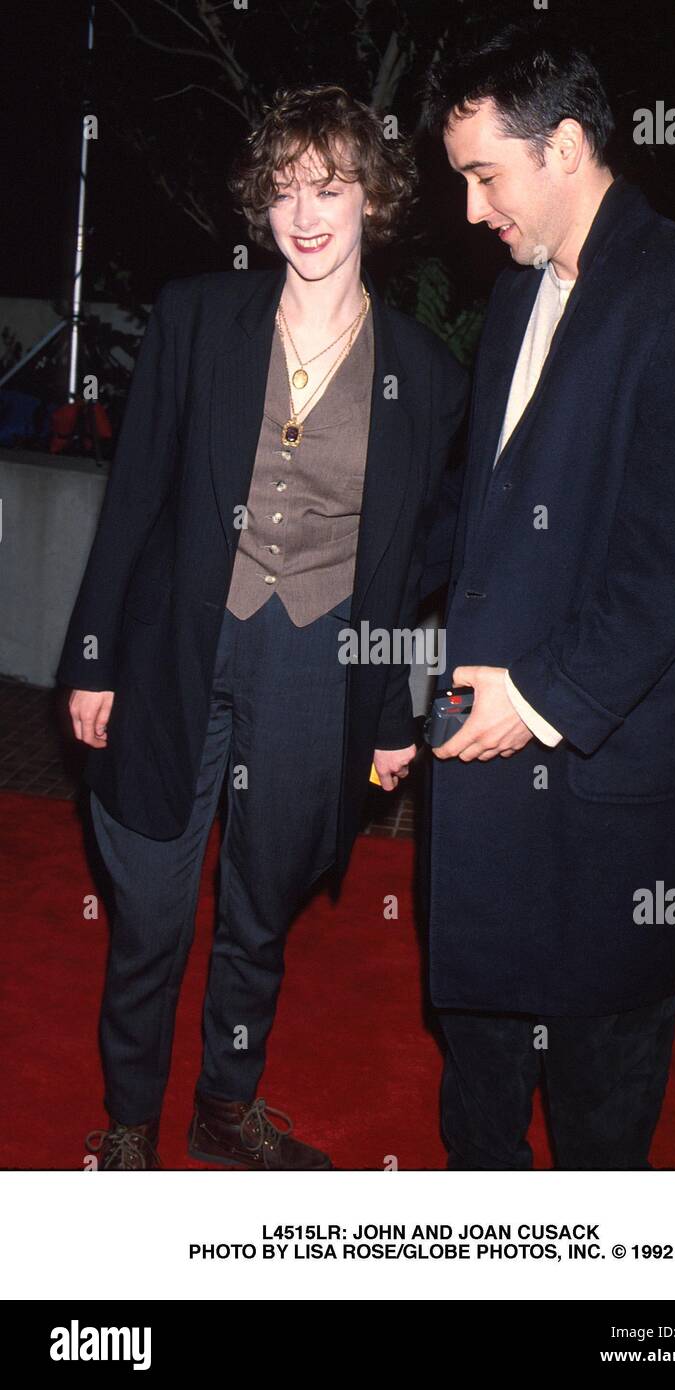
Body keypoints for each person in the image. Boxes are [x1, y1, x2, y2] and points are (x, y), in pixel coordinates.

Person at [56, 84, 468, 1171]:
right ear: (261, 204)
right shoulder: (199, 318)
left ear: (370, 199)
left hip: (314, 657)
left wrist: (387, 711)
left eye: (329, 186)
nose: (305, 211)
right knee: (147, 905)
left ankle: (224, 1106)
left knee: (261, 905)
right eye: (284, 189)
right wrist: (92, 656)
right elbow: (133, 495)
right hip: (178, 641)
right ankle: (133, 1119)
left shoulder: (422, 376)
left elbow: (413, 558)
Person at [420, 28, 675, 1170]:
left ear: (565, 146)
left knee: (598, 1111)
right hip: (485, 759)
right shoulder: (522, 299)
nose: (472, 210)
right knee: (474, 1078)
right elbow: (484, 514)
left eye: (486, 175)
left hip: (609, 785)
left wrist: (540, 698)